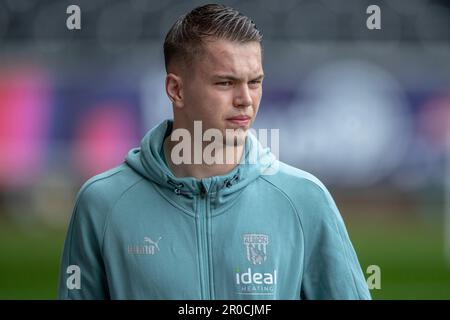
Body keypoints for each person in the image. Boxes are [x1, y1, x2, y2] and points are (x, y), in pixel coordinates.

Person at [58, 4, 371, 300]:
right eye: (225, 83)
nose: (245, 99)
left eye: (255, 82)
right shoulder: (101, 203)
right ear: (175, 89)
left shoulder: (306, 199)